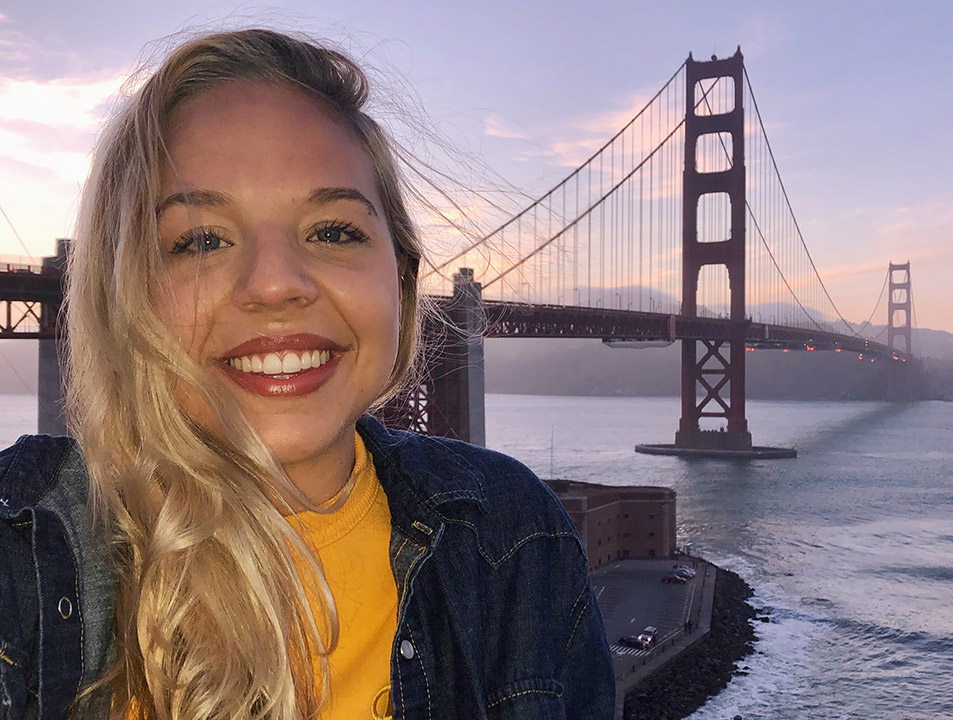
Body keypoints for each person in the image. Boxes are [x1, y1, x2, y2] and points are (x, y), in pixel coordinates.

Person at [0, 29, 614, 720]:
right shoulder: (21, 553)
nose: (274, 284)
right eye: (200, 240)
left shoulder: (517, 542)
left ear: (404, 285)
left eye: (333, 231)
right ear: (123, 296)